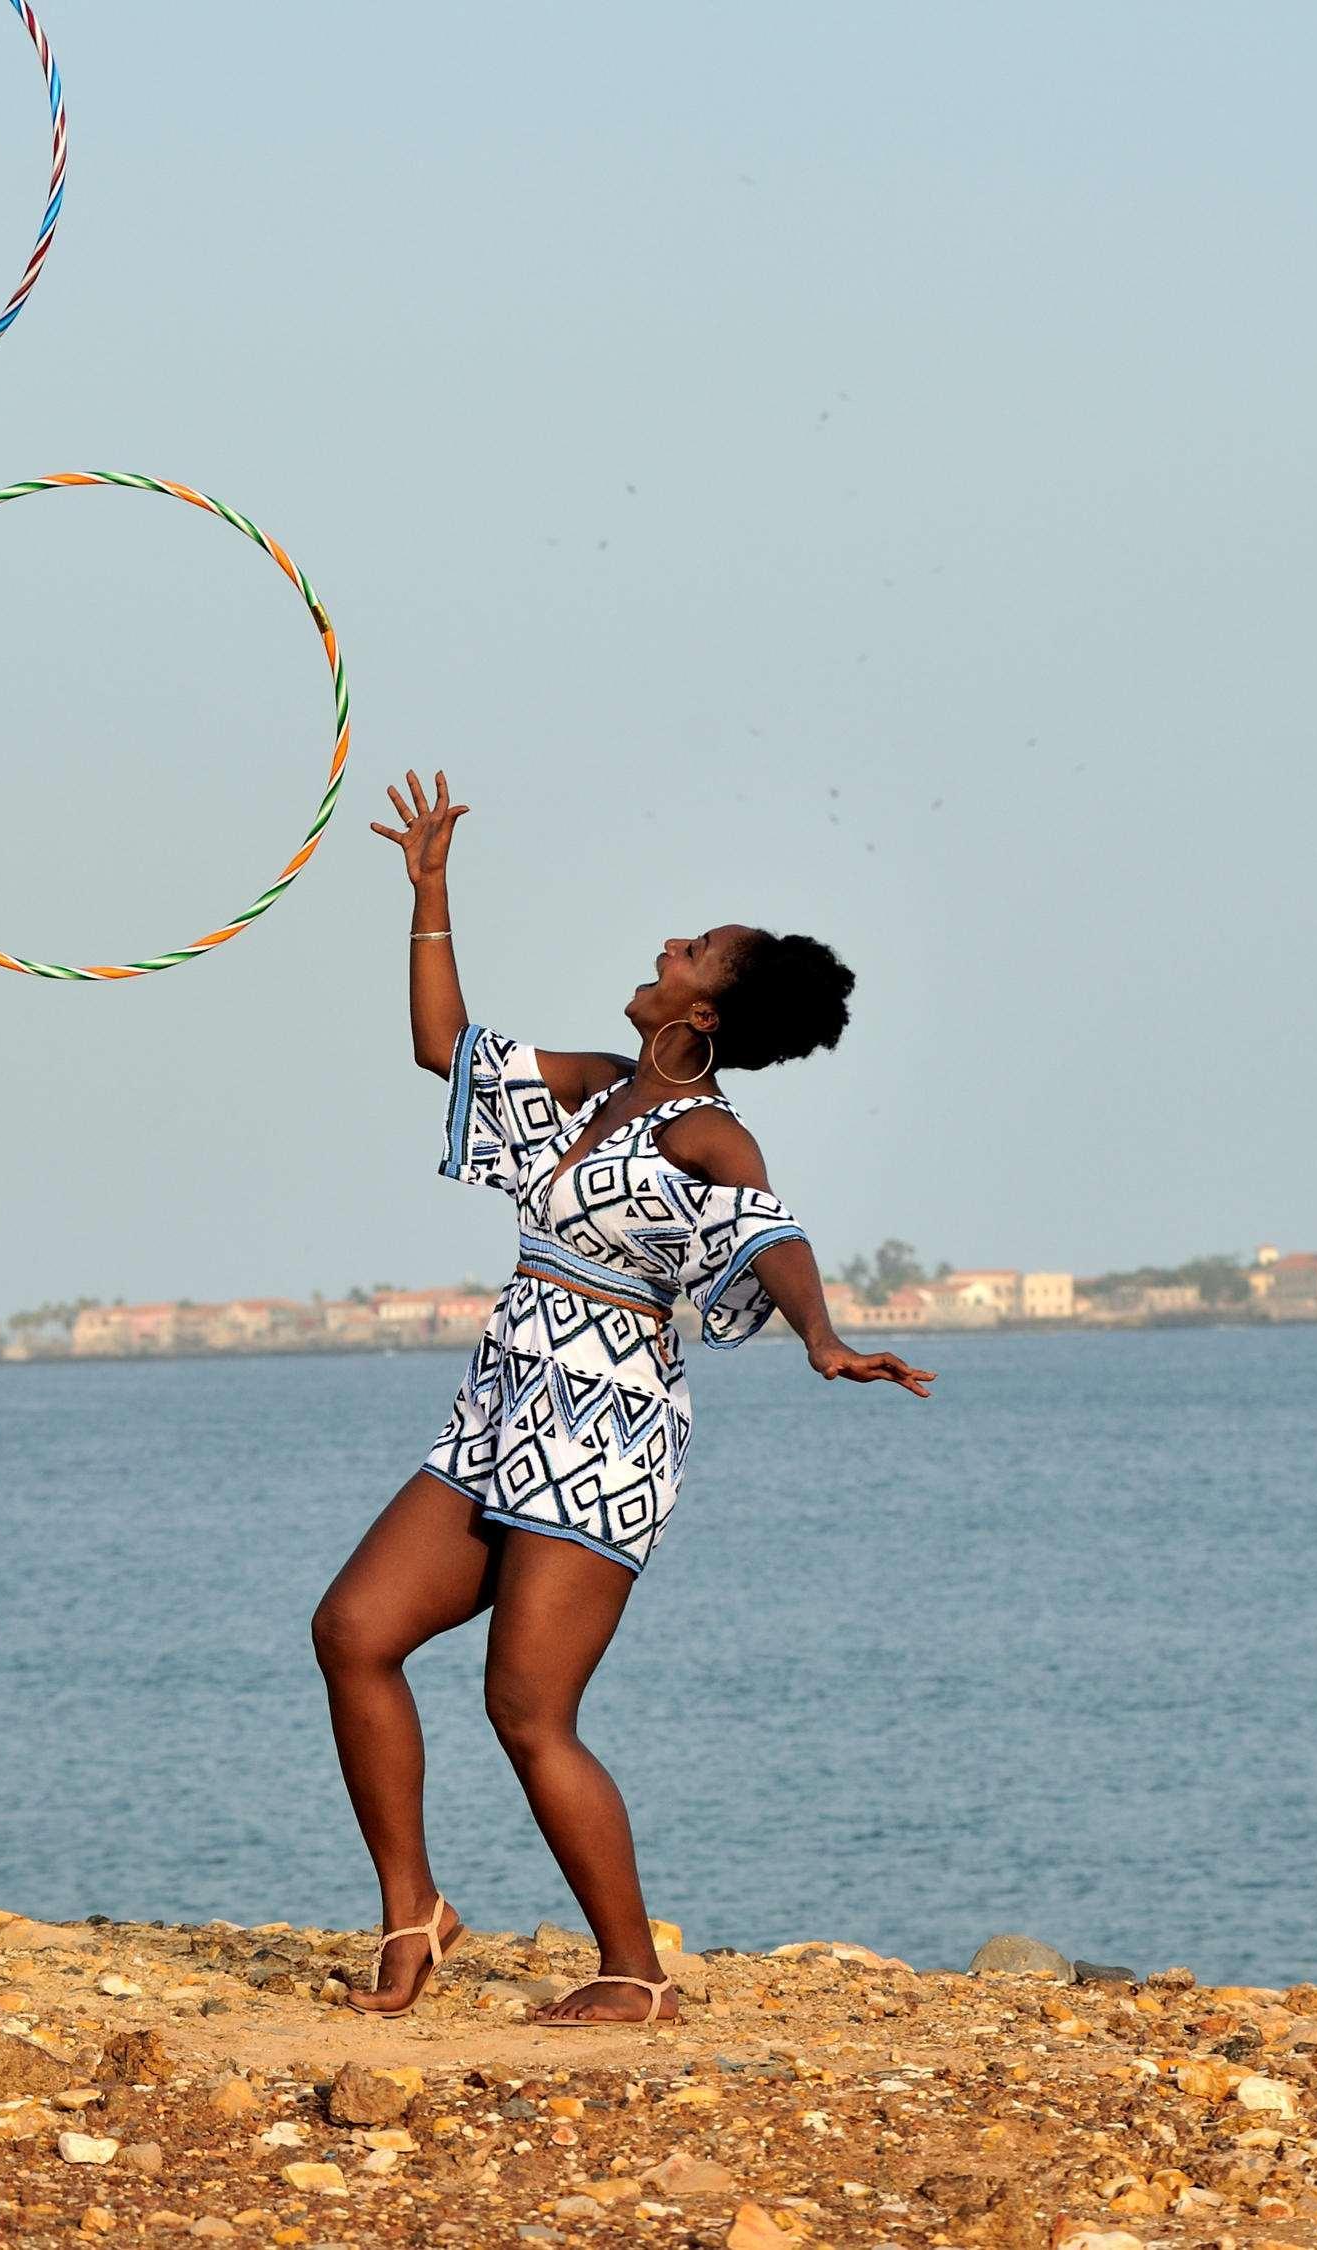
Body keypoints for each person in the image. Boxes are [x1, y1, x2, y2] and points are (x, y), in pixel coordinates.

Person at [312, 770, 934, 2024]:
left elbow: (773, 1240)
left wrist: (821, 1337)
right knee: (353, 1633)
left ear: (710, 1006)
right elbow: (446, 1048)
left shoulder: (711, 1136)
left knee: (528, 1709)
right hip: (502, 1402)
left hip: (604, 1427)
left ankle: (632, 1970)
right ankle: (413, 1912)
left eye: (693, 946)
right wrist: (431, 894)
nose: (665, 943)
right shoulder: (599, 1083)